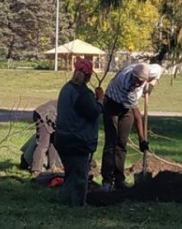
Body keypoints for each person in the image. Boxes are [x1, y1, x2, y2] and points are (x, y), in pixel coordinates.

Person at [101, 62, 162, 191]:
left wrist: (151, 86)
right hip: (112, 102)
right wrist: (141, 138)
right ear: (132, 75)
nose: (137, 83)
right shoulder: (126, 82)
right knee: (111, 143)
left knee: (122, 143)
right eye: (136, 79)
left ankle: (119, 180)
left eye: (141, 81)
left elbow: (161, 70)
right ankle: (107, 180)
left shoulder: (150, 70)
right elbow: (137, 114)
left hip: (126, 108)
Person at [53, 58, 104, 207]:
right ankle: (76, 206)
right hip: (77, 140)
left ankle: (65, 202)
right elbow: (93, 112)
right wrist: (100, 100)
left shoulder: (66, 88)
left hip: (61, 138)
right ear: (89, 76)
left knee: (71, 174)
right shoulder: (83, 94)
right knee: (80, 176)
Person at [26, 100, 61, 175]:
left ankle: (52, 167)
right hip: (44, 115)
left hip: (53, 117)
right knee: (44, 144)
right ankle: (36, 169)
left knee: (54, 142)